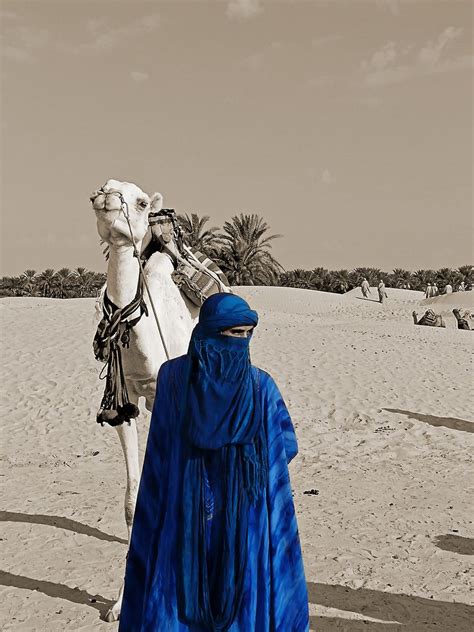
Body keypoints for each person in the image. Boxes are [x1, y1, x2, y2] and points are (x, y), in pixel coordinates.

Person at [118, 293, 310, 632]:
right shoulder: (179, 381)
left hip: (241, 521)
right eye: (233, 334)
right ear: (208, 333)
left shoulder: (254, 387)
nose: (242, 342)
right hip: (184, 516)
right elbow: (285, 446)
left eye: (247, 334)